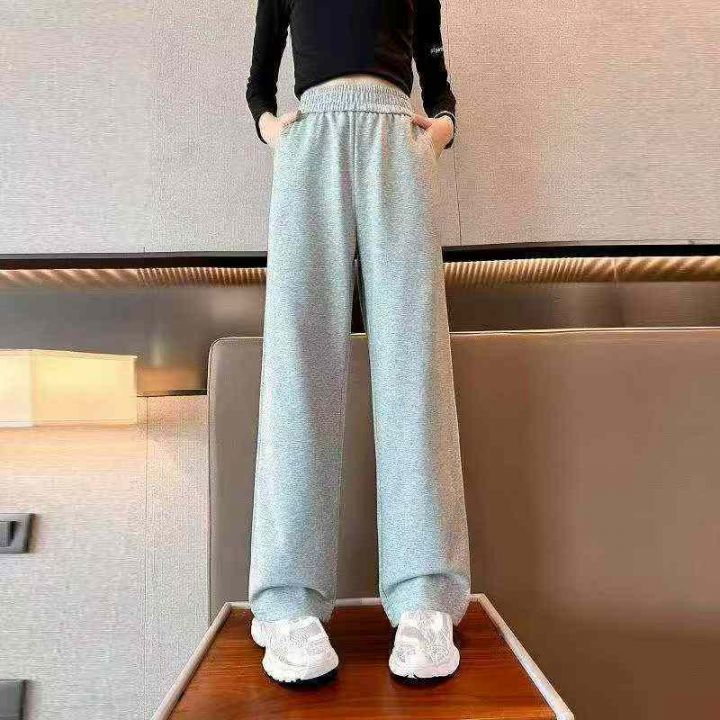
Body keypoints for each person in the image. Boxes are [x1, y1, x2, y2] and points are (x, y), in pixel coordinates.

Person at [245, 0, 471, 685]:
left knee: (414, 363)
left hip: (395, 140)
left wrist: (440, 128)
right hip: (310, 138)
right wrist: (274, 130)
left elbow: (434, 67)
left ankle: (425, 597)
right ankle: (286, 603)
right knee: (299, 364)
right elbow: (260, 78)